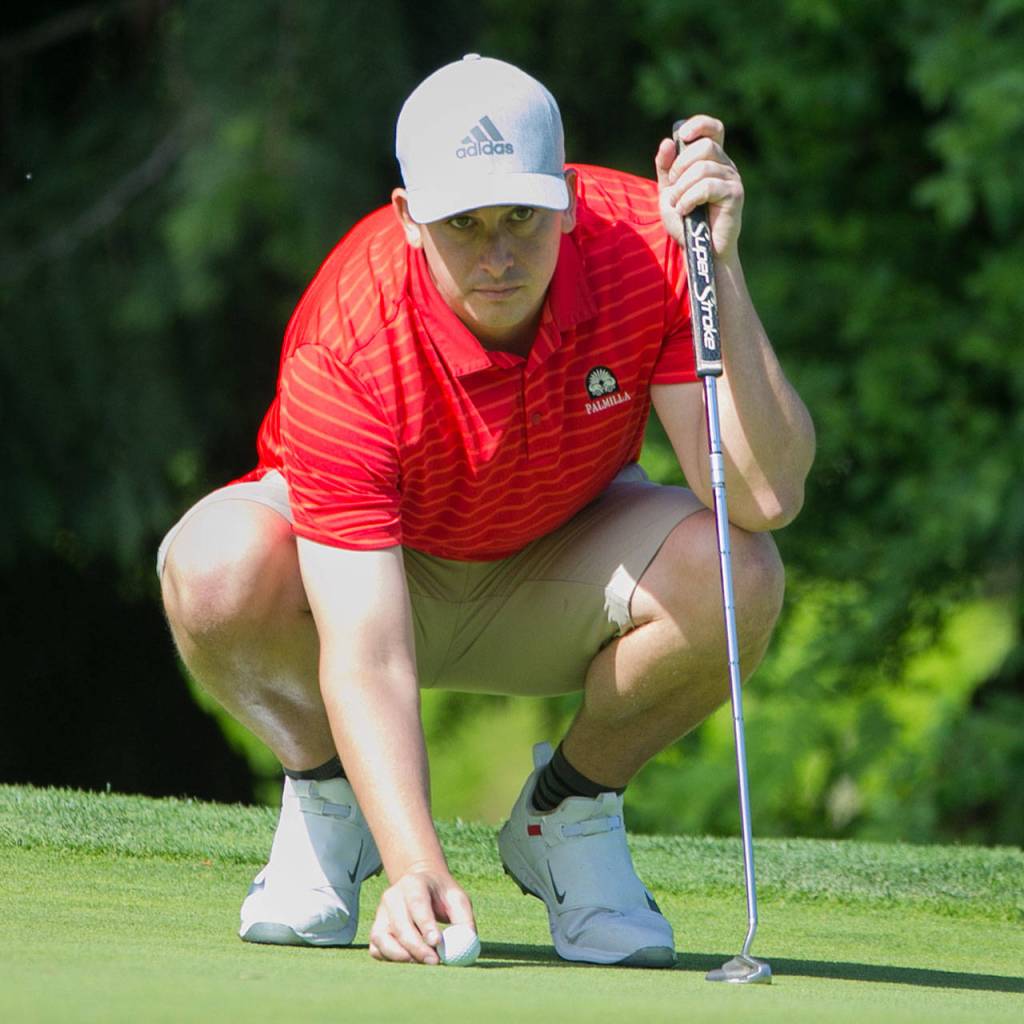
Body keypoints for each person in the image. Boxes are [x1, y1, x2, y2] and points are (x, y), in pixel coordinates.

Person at [158, 54, 814, 967]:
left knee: (740, 573)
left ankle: (568, 817)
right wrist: (414, 865)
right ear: (407, 220)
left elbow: (767, 495)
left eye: (521, 217)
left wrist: (722, 270)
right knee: (214, 567)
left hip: (558, 561)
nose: (499, 254)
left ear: (568, 198)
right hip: (381, 583)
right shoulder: (349, 336)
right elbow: (369, 651)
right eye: (463, 224)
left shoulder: (648, 245)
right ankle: (330, 799)